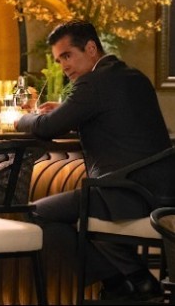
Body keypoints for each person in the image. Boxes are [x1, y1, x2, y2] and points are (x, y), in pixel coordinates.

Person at [16, 20, 175, 301]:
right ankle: (133, 282)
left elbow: (46, 127)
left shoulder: (93, 82)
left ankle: (124, 281)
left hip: (125, 193)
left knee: (36, 214)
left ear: (91, 48)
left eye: (67, 56)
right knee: (84, 218)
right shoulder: (133, 76)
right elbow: (116, 115)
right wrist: (66, 110)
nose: (64, 66)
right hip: (160, 192)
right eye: (59, 60)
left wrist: (19, 120)